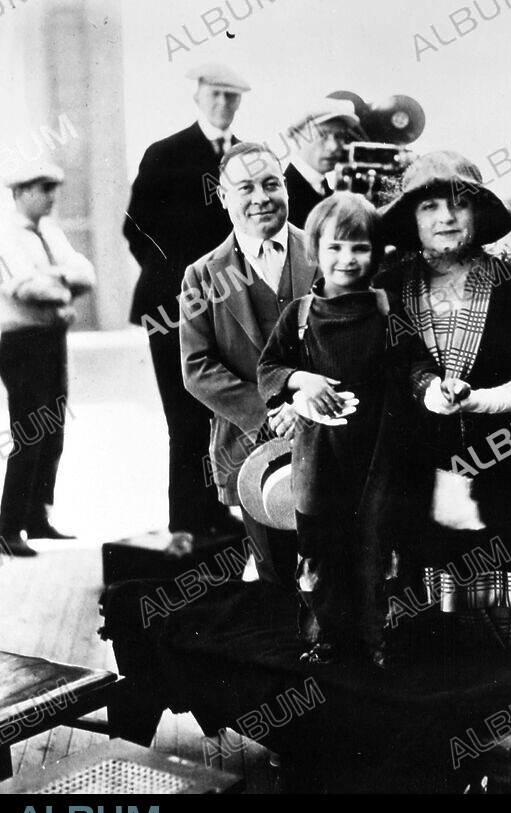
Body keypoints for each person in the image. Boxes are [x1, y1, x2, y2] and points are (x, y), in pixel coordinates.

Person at [376, 150, 511, 666]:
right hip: (412, 484)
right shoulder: (387, 290)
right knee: (419, 634)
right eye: (429, 206)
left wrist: (484, 400)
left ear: (479, 214)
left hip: (497, 475)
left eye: (459, 204)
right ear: (411, 220)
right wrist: (422, 391)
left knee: (505, 636)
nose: (446, 217)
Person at [258, 191, 433, 666]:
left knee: (379, 543)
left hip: (380, 453)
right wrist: (302, 380)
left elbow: (416, 363)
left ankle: (381, 643)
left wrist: (433, 386)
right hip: (319, 455)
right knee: (322, 545)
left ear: (376, 254)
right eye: (335, 247)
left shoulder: (387, 310)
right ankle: (328, 641)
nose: (347, 258)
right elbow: (269, 368)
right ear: (314, 250)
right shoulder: (299, 315)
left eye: (360, 247)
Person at [123, 62, 251, 550]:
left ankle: (218, 511)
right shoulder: (166, 154)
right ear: (197, 96)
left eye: (232, 96)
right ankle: (187, 520)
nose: (223, 103)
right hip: (172, 308)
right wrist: (179, 281)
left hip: (229, 304)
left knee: (224, 406)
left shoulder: (246, 157)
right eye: (215, 94)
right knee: (184, 414)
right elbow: (136, 228)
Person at [180, 142, 319, 585]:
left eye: (271, 184)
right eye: (245, 188)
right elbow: (196, 367)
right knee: (273, 576)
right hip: (251, 449)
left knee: (336, 569)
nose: (261, 197)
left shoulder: (325, 254)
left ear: (287, 189)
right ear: (224, 198)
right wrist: (269, 413)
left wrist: (308, 407)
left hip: (330, 441)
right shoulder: (202, 275)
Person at [0, 162, 94, 556]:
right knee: (30, 431)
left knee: (52, 430)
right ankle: (8, 528)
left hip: (52, 338)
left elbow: (86, 273)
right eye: (43, 188)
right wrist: (63, 282)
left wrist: (55, 278)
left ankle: (36, 517)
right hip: (20, 341)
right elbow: (24, 287)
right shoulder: (6, 235)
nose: (52, 196)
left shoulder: (51, 233)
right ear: (20, 193)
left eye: (53, 188)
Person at [283, 100, 363, 228]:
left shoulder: (326, 190)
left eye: (339, 136)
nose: (333, 146)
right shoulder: (284, 196)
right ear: (296, 137)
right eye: (322, 135)